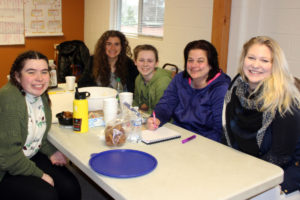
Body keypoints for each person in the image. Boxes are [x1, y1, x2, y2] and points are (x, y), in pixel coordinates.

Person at [222, 36, 300, 195]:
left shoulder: (285, 101)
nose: (255, 65)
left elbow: (280, 157)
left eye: (265, 60)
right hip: (250, 166)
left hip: (285, 175)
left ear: (275, 65)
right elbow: (229, 136)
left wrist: (243, 175)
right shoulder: (237, 87)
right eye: (251, 58)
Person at [0, 51, 81, 200]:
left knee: (70, 187)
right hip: (6, 166)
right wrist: (40, 175)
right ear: (17, 76)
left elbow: (38, 132)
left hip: (28, 155)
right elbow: (8, 157)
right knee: (46, 195)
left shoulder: (40, 94)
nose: (40, 78)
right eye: (31, 72)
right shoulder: (9, 99)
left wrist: (50, 151)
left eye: (44, 72)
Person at [147, 40, 231, 142]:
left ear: (211, 63)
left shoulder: (221, 88)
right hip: (177, 135)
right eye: (190, 60)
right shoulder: (180, 79)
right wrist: (156, 119)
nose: (194, 65)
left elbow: (221, 130)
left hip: (206, 142)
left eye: (200, 61)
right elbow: (165, 105)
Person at [132, 44, 172, 114]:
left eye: (150, 61)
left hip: (164, 122)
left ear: (156, 63)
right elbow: (136, 102)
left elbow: (161, 112)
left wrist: (140, 112)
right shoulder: (138, 78)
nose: (145, 64)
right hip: (146, 116)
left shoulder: (163, 82)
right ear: (135, 62)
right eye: (141, 60)